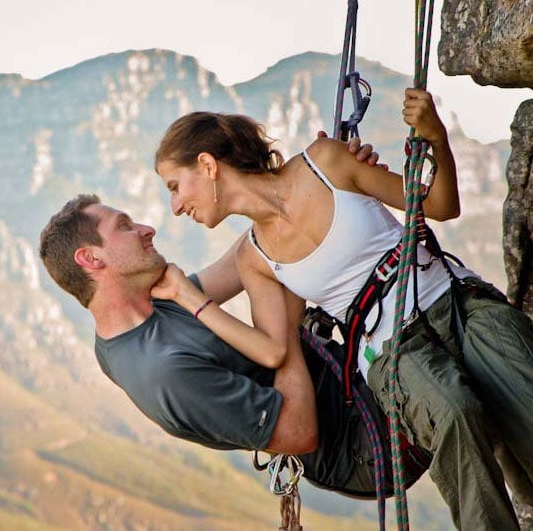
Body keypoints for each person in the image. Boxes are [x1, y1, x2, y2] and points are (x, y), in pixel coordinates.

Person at [154, 88, 533, 529]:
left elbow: (441, 205)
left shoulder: (327, 161)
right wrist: (189, 299)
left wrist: (436, 139)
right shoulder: (255, 261)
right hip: (394, 352)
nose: (176, 206)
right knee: (452, 415)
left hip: (456, 300)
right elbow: (276, 351)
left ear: (206, 164)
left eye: (175, 187)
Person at [38, 141, 417, 501]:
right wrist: (280, 333)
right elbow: (298, 434)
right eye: (125, 226)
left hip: (349, 380)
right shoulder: (163, 372)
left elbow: (241, 258)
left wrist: (310, 180)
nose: (146, 229)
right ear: (91, 259)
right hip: (363, 444)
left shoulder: (149, 305)